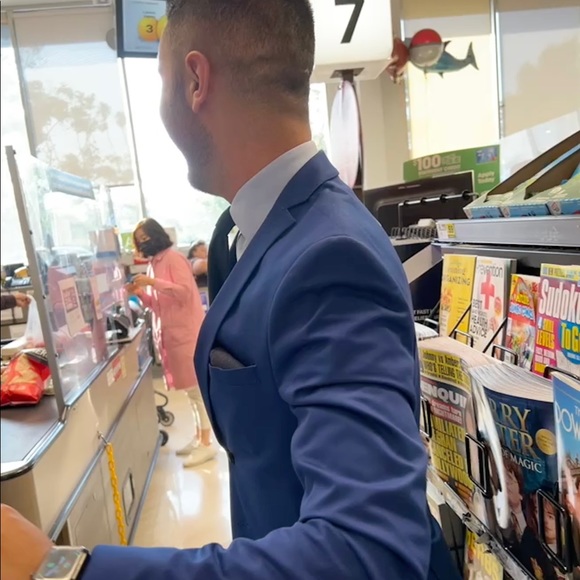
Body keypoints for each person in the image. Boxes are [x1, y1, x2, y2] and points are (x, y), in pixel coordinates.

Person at [0, 1, 460, 579]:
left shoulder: (329, 255)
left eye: (162, 79)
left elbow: (368, 549)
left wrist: (64, 570)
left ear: (196, 80)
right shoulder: (241, 232)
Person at [128, 218, 214, 468]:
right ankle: (199, 437)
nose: (143, 243)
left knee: (196, 391)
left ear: (156, 235)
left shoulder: (173, 259)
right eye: (139, 241)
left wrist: (152, 283)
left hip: (186, 334)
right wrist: (141, 294)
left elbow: (185, 292)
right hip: (170, 336)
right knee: (190, 391)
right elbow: (158, 304)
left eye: (146, 237)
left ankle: (207, 443)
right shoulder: (153, 265)